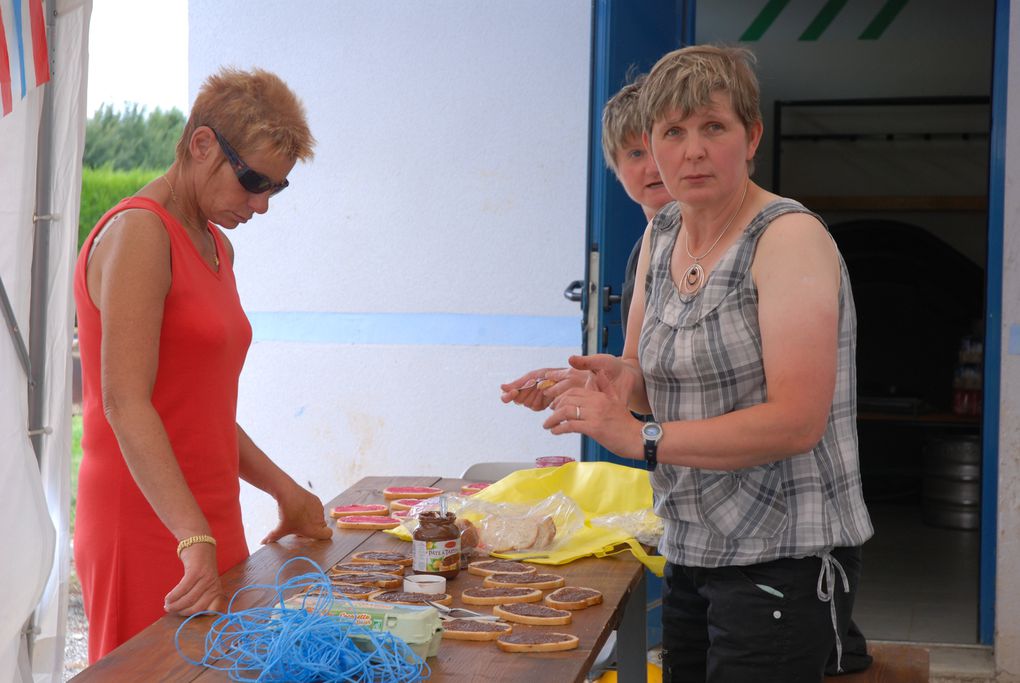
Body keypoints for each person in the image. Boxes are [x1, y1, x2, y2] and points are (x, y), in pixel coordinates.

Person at [502, 45, 873, 682]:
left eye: (713, 127)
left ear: (750, 136)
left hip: (781, 555)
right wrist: (614, 385)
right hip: (692, 545)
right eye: (673, 131)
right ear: (650, 140)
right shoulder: (664, 232)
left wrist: (640, 436)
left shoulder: (787, 238)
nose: (692, 150)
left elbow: (796, 423)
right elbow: (650, 388)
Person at [72, 67, 333, 663]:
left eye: (277, 189)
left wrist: (283, 489)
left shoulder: (217, 243)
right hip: (148, 520)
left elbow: (202, 409)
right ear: (201, 145)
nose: (262, 205)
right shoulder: (141, 232)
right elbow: (124, 402)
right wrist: (190, 536)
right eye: (253, 182)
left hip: (204, 518)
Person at [600, 74, 673, 331]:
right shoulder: (642, 249)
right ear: (615, 169)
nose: (653, 167)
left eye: (659, 148)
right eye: (636, 153)